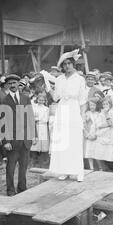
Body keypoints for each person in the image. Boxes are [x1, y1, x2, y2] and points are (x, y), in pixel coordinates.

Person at [48, 49, 86, 181]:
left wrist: (82, 117)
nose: (67, 66)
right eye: (64, 64)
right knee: (63, 140)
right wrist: (48, 87)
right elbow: (56, 97)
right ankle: (64, 170)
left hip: (74, 110)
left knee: (75, 140)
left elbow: (82, 101)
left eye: (69, 63)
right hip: (62, 109)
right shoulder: (59, 79)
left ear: (73, 64)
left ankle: (78, 171)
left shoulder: (80, 79)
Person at [1, 74, 36, 196]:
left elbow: (30, 117)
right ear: (7, 85)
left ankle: (22, 188)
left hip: (25, 139)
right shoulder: (4, 101)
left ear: (18, 83)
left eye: (14, 83)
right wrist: (6, 141)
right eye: (10, 83)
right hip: (12, 141)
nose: (12, 85)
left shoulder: (25, 98)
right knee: (10, 167)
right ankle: (10, 190)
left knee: (23, 167)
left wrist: (33, 135)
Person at [94, 97, 113, 171]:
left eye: (107, 104)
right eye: (103, 104)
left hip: (109, 136)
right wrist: (108, 125)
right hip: (101, 136)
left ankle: (110, 170)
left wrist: (107, 114)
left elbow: (111, 123)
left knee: (109, 156)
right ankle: (101, 168)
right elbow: (98, 125)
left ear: (110, 104)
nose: (105, 105)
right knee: (99, 154)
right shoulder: (99, 114)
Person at [30, 93, 50, 167]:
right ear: (37, 100)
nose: (41, 101)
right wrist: (35, 120)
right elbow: (32, 117)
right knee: (35, 143)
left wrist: (38, 119)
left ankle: (41, 162)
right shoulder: (34, 107)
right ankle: (33, 160)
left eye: (42, 100)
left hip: (43, 127)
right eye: (39, 100)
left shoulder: (46, 109)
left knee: (43, 144)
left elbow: (46, 119)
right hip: (36, 126)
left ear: (44, 101)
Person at [83, 97, 100, 170]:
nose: (92, 107)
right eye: (90, 105)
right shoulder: (87, 113)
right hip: (89, 133)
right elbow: (84, 124)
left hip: (96, 134)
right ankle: (91, 167)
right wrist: (87, 135)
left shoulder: (98, 114)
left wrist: (96, 135)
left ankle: (100, 166)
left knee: (97, 151)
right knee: (89, 151)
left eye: (93, 105)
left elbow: (100, 125)